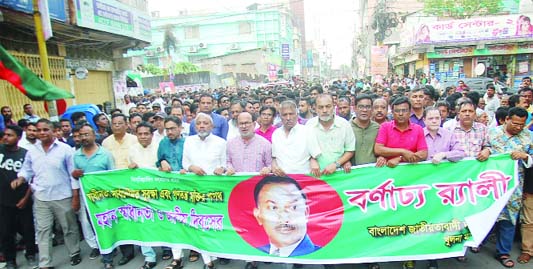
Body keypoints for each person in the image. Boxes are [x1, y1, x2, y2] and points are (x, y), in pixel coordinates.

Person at [12, 119, 82, 268]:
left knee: (68, 228)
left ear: (52, 131)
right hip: (41, 197)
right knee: (43, 230)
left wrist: (75, 197)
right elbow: (27, 169)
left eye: (45, 130)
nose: (42, 133)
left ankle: (74, 252)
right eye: (39, 130)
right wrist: (21, 177)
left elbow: (73, 175)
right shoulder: (32, 151)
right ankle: (45, 263)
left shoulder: (65, 149)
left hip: (63, 196)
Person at [488, 107, 533, 268]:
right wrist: (486, 150)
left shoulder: (529, 137)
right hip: (490, 184)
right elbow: (483, 148)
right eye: (515, 123)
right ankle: (478, 242)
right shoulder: (492, 133)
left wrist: (526, 156)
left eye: (521, 124)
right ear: (506, 119)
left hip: (515, 186)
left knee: (509, 218)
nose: (518, 127)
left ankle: (503, 252)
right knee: (488, 214)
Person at [182, 113, 226, 269]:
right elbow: (185, 162)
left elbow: (225, 164)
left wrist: (222, 169)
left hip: (214, 190)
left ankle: (218, 252)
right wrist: (191, 167)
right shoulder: (188, 141)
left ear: (212, 126)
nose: (201, 126)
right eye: (198, 123)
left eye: (205, 123)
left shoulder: (221, 142)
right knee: (199, 222)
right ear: (194, 126)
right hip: (194, 189)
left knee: (214, 221)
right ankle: (207, 258)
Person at [71, 123, 115, 268]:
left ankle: (114, 250)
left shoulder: (105, 154)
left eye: (86, 134)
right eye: (81, 135)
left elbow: (112, 176)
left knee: (112, 225)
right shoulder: (76, 156)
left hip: (107, 199)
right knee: (97, 228)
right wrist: (75, 175)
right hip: (90, 202)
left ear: (94, 135)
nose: (83, 137)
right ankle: (107, 258)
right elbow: (75, 178)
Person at [253, 175, 321, 257]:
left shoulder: (323, 257)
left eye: (293, 207)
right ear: (258, 216)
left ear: (306, 213)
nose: (284, 218)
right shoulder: (255, 253)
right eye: (273, 208)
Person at [101, 114, 138, 265]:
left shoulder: (134, 139)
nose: (117, 126)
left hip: (133, 183)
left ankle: (145, 246)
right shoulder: (105, 142)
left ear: (126, 125)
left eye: (120, 123)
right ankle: (127, 252)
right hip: (113, 186)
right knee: (122, 218)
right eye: (114, 124)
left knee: (139, 215)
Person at [0, 125, 37, 269]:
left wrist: (26, 198)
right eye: (4, 135)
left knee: (28, 229)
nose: (5, 137)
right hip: (3, 201)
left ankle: (31, 254)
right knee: (6, 232)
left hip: (23, 200)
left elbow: (32, 179)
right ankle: (10, 260)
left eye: (10, 135)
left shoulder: (25, 154)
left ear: (18, 137)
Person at [127, 122, 160, 269]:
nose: (143, 136)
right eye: (140, 134)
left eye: (146, 133)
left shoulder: (159, 146)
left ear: (152, 135)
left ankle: (167, 249)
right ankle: (149, 256)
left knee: (162, 221)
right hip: (140, 193)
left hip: (160, 191)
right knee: (142, 223)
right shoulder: (132, 150)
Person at [306, 94, 355, 177]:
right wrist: (311, 160)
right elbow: (305, 149)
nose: (324, 110)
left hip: (338, 173)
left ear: (334, 106)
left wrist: (337, 164)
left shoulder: (344, 125)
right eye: (321, 107)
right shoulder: (309, 125)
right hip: (316, 175)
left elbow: (350, 150)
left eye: (328, 106)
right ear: (315, 108)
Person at [374, 96, 428, 168]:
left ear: (410, 112)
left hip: (412, 172)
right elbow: (378, 149)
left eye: (404, 110)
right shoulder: (385, 127)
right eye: (397, 111)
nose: (400, 114)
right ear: (392, 112)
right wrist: (403, 152)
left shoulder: (418, 129)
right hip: (389, 171)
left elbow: (423, 153)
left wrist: (400, 158)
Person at [271, 100, 311, 176]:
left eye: (291, 114)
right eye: (284, 115)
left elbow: (314, 156)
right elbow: (274, 157)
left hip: (304, 178)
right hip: (282, 180)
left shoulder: (307, 131)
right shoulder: (276, 134)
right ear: (280, 116)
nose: (288, 118)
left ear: (297, 114)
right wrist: (274, 166)